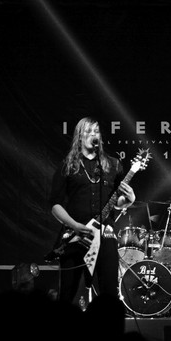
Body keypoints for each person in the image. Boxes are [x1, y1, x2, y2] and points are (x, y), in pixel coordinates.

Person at [49, 116, 136, 308]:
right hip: (75, 236)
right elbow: (55, 204)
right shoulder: (68, 165)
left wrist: (129, 200)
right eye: (88, 131)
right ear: (79, 136)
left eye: (96, 131)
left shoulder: (113, 165)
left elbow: (116, 202)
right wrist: (75, 226)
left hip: (105, 235)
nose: (93, 135)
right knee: (68, 293)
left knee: (109, 292)